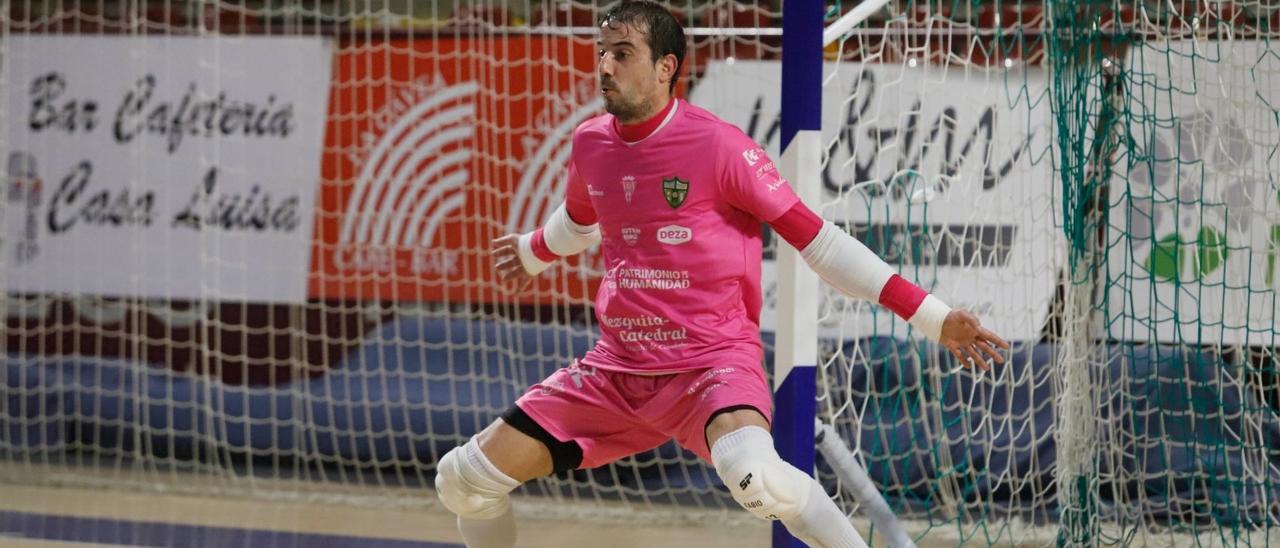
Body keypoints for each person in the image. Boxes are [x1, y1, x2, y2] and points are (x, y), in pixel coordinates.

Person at [434, 2, 1010, 547]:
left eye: (623, 53)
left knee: (755, 475)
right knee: (461, 480)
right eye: (602, 51)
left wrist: (933, 317)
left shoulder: (719, 147)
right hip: (617, 369)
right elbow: (582, 219)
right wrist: (534, 251)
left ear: (666, 68)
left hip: (710, 367)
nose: (605, 65)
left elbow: (821, 242)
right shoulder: (591, 143)